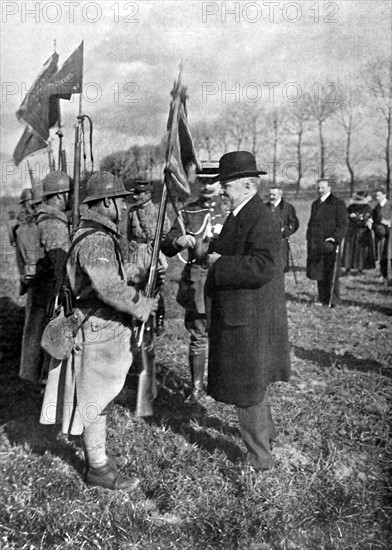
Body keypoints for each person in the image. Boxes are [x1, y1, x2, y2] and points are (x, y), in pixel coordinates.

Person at [40, 171, 158, 490]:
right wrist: (141, 305)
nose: (123, 206)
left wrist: (133, 272)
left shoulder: (92, 233)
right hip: (97, 327)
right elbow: (107, 288)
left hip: (95, 323)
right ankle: (98, 468)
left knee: (100, 396)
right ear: (107, 202)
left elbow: (106, 277)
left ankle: (98, 458)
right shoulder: (96, 238)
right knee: (97, 398)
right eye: (120, 200)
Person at [205, 151, 291, 472]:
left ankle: (260, 460)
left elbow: (264, 266)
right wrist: (209, 251)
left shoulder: (261, 218)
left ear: (245, 184)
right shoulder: (240, 214)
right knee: (254, 382)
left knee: (247, 387)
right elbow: (231, 251)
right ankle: (266, 437)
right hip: (242, 314)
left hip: (249, 318)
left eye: (225, 184)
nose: (220, 191)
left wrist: (220, 265)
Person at [161, 161, 227, 403]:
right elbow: (166, 244)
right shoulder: (187, 212)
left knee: (223, 333)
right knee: (198, 334)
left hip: (226, 279)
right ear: (198, 182)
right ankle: (197, 387)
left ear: (222, 183)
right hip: (198, 280)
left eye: (214, 180)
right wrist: (178, 242)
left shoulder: (231, 211)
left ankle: (221, 386)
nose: (209, 185)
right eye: (204, 180)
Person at [18, 172, 71, 384]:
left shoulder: (41, 218)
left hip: (39, 288)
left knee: (35, 330)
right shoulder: (54, 223)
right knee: (47, 333)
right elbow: (60, 263)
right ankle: (45, 380)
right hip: (50, 290)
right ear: (59, 195)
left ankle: (33, 375)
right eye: (67, 193)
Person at [127, 181, 170, 334]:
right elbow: (129, 235)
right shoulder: (132, 212)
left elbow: (166, 234)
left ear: (148, 194)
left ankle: (158, 321)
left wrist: (157, 247)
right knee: (136, 286)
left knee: (155, 287)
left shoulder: (158, 211)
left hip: (153, 252)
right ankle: (138, 320)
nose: (135, 196)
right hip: (137, 252)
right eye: (135, 192)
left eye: (139, 193)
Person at [306, 179, 348, 306]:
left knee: (331, 272)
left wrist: (335, 238)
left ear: (329, 188)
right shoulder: (315, 204)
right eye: (318, 188)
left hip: (330, 244)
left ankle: (333, 299)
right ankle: (322, 298)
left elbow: (343, 223)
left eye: (322, 188)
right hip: (316, 243)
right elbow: (311, 222)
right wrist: (309, 237)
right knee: (319, 271)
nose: (319, 190)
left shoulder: (337, 203)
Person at [266, 186, 299, 273]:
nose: (271, 197)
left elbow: (294, 224)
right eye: (270, 194)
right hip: (267, 243)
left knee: (281, 267)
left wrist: (285, 231)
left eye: (274, 195)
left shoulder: (288, 207)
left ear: (280, 195)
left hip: (281, 242)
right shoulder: (265, 207)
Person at [342, 191, 375, 274]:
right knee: (349, 249)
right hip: (352, 231)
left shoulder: (367, 208)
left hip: (363, 232)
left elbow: (369, 219)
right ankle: (347, 268)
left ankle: (360, 269)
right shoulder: (351, 207)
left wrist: (365, 221)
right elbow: (345, 218)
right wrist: (350, 216)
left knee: (361, 251)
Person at [372, 187, 391, 284]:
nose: (377, 197)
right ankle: (383, 276)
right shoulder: (376, 207)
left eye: (379, 195)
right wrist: (375, 227)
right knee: (382, 256)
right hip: (381, 235)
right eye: (376, 195)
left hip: (390, 235)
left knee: (390, 255)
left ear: (384, 195)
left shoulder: (390, 205)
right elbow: (374, 221)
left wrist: (388, 222)